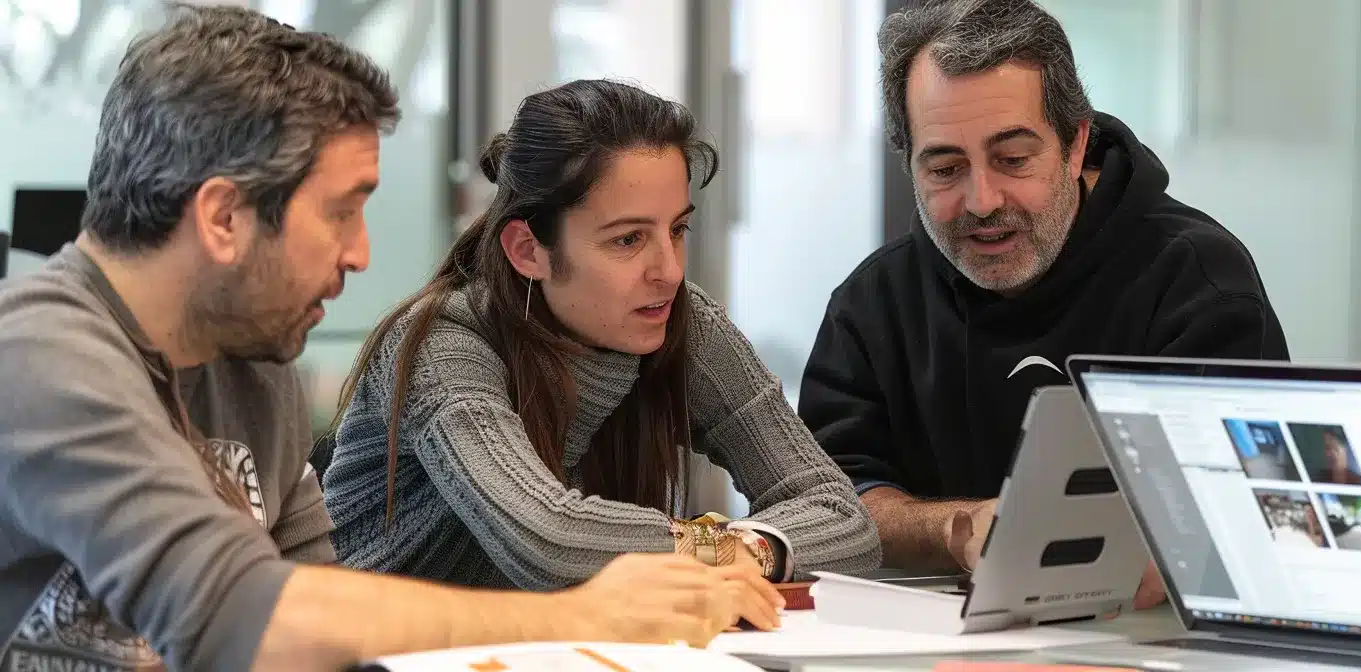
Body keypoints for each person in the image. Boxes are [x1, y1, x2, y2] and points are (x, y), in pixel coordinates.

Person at [0, 7, 765, 671]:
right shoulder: (40, 354)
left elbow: (324, 612)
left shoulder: (250, 366)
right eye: (340, 211)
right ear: (224, 218)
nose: (361, 252)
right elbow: (250, 621)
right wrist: (582, 615)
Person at [323, 79, 881, 602]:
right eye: (628, 239)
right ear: (528, 251)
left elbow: (845, 521)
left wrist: (736, 550)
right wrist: (727, 549)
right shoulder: (441, 346)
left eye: (678, 230)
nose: (668, 270)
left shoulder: (679, 320)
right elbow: (551, 542)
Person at [799, 0, 1287, 586]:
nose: (982, 201)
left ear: (1076, 144)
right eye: (945, 168)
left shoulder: (1196, 280)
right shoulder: (874, 303)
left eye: (1012, 159)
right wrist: (956, 529)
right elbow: (827, 500)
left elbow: (1253, 513)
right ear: (909, 166)